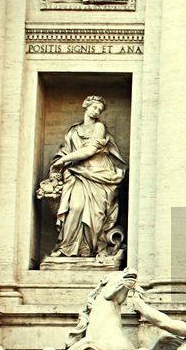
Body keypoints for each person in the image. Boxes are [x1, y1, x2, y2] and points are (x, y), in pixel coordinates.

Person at [46, 95, 126, 258]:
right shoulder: (73, 131)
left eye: (100, 109)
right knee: (74, 208)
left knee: (96, 214)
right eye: (94, 107)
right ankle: (67, 247)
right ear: (85, 105)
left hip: (97, 173)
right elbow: (65, 150)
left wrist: (63, 160)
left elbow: (89, 151)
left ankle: (89, 249)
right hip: (76, 173)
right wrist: (60, 162)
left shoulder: (99, 127)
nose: (96, 111)